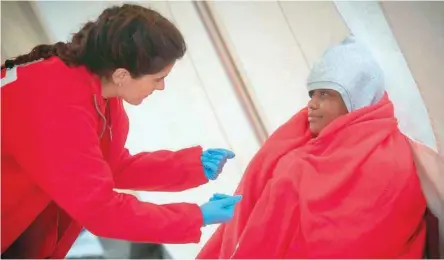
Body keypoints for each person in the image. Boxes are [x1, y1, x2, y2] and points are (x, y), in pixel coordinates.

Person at [1, 4, 242, 259]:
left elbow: (108, 166)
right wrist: (198, 216)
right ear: (122, 75)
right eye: (158, 78)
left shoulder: (98, 92)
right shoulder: (58, 104)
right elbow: (100, 209)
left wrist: (191, 166)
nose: (161, 87)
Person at [197, 36, 428, 258]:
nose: (312, 104)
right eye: (312, 94)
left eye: (325, 94)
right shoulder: (298, 153)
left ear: (355, 99)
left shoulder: (394, 161)